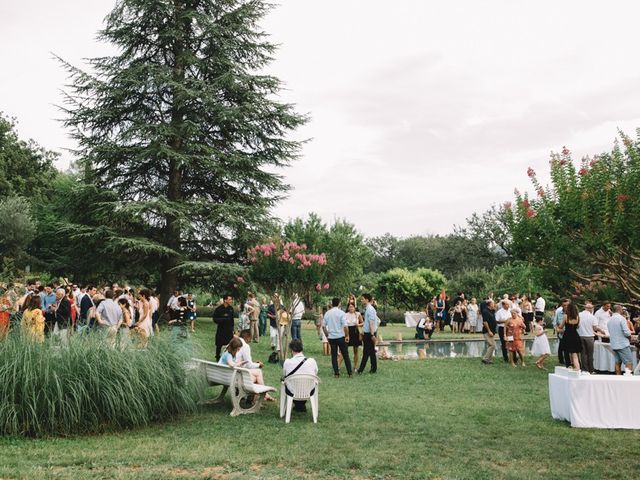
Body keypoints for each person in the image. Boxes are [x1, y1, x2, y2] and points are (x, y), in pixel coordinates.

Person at [237, 329, 275, 401]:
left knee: (256, 374)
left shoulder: (233, 342)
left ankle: (263, 396)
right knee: (257, 373)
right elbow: (249, 365)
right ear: (247, 337)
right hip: (236, 376)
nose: (250, 341)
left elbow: (242, 362)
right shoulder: (245, 346)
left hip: (227, 375)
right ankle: (264, 395)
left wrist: (254, 363)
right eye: (250, 338)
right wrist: (259, 365)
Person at [282, 339, 318, 412]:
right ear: (302, 348)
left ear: (291, 350)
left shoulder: (287, 362)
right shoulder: (312, 361)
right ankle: (300, 405)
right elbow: (315, 372)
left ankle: (297, 405)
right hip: (309, 390)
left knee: (285, 382)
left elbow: (285, 375)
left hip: (292, 390)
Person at [322, 297, 352, 378]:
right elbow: (345, 326)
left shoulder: (327, 313)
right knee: (345, 355)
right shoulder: (341, 313)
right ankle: (350, 373)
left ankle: (336, 373)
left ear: (332, 304)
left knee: (334, 356)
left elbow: (323, 327)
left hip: (332, 337)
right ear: (339, 304)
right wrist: (347, 336)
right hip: (340, 336)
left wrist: (327, 335)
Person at [608, 305, 634, 375]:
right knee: (629, 362)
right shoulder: (621, 318)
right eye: (622, 309)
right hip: (623, 344)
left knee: (617, 362)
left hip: (614, 344)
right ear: (619, 310)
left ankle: (618, 378)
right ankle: (628, 380)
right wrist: (630, 338)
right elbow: (626, 332)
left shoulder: (610, 319)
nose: (623, 311)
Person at [577, 301, 602, 373]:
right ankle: (591, 369)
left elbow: (577, 325)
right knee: (590, 354)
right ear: (591, 309)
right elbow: (595, 328)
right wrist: (601, 330)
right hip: (590, 337)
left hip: (580, 336)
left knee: (583, 354)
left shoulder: (579, 315)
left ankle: (584, 369)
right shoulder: (592, 317)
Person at [357, 293, 378, 374]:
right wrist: (363, 332)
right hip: (367, 333)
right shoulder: (368, 309)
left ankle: (361, 370)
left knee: (366, 352)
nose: (361, 300)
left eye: (362, 299)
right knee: (371, 351)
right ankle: (373, 369)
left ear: (366, 300)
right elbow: (367, 322)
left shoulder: (370, 309)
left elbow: (371, 323)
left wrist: (372, 335)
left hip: (370, 333)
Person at [559, 303, 581, 370]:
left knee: (567, 351)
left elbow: (561, 326)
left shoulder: (566, 316)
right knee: (574, 353)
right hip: (575, 335)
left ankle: (571, 366)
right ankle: (576, 366)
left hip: (567, 335)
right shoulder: (578, 317)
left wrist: (557, 327)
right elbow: (578, 326)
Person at [213, 295, 235, 361]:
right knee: (219, 344)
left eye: (231, 299)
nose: (231, 301)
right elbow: (215, 319)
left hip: (229, 329)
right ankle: (217, 357)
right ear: (225, 300)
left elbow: (232, 320)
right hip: (221, 329)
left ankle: (228, 357)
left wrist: (233, 329)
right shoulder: (219, 309)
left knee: (230, 344)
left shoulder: (231, 309)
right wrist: (223, 319)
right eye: (230, 299)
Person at [553, 299, 571, 367]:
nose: (566, 307)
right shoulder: (559, 313)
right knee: (562, 347)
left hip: (570, 334)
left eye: (567, 305)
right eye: (564, 305)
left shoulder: (572, 313)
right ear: (562, 306)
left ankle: (569, 362)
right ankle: (563, 361)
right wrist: (557, 329)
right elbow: (555, 323)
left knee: (568, 348)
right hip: (561, 334)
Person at [344, 302, 363, 368]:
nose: (351, 308)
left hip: (355, 332)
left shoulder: (358, 314)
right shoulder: (345, 314)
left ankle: (355, 366)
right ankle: (338, 366)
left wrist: (358, 325)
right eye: (350, 307)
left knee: (355, 350)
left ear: (355, 307)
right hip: (348, 332)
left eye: (352, 307)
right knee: (344, 350)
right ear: (348, 308)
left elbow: (363, 323)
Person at [481, 299, 497, 364]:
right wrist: (489, 331)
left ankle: (489, 360)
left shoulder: (491, 310)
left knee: (490, 345)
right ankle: (485, 358)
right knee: (492, 345)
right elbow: (485, 322)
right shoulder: (485, 311)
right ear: (490, 304)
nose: (494, 304)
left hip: (492, 331)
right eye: (493, 303)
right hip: (487, 331)